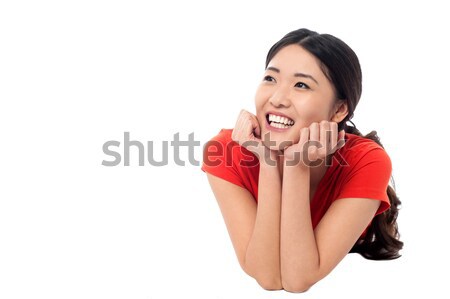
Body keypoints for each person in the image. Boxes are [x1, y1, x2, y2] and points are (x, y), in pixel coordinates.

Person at [201, 28, 403, 293]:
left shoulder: (366, 161)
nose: (276, 99)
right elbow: (268, 278)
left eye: (301, 85)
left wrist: (297, 166)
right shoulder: (224, 151)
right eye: (270, 78)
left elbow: (297, 281)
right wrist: (269, 161)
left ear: (339, 109)